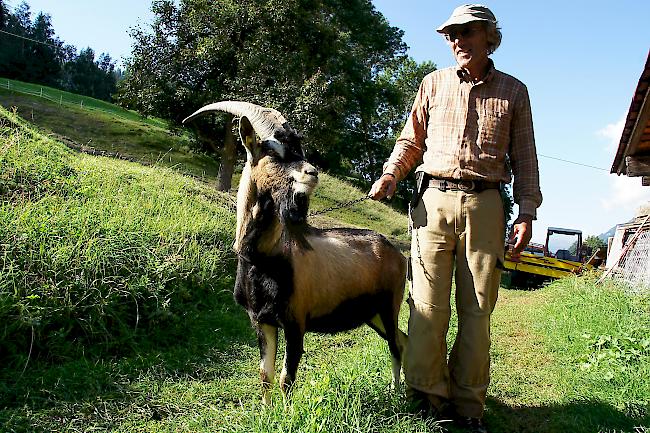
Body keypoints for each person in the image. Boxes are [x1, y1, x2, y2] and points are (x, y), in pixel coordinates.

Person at [368, 4, 542, 433]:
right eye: (451, 35)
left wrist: (527, 212)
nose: (457, 41)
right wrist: (391, 174)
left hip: (486, 206)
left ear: (488, 36)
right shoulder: (433, 84)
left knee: (477, 311)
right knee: (426, 306)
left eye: (466, 32)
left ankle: (468, 407)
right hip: (433, 203)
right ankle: (429, 398)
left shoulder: (514, 91)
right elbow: (411, 140)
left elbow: (525, 157)